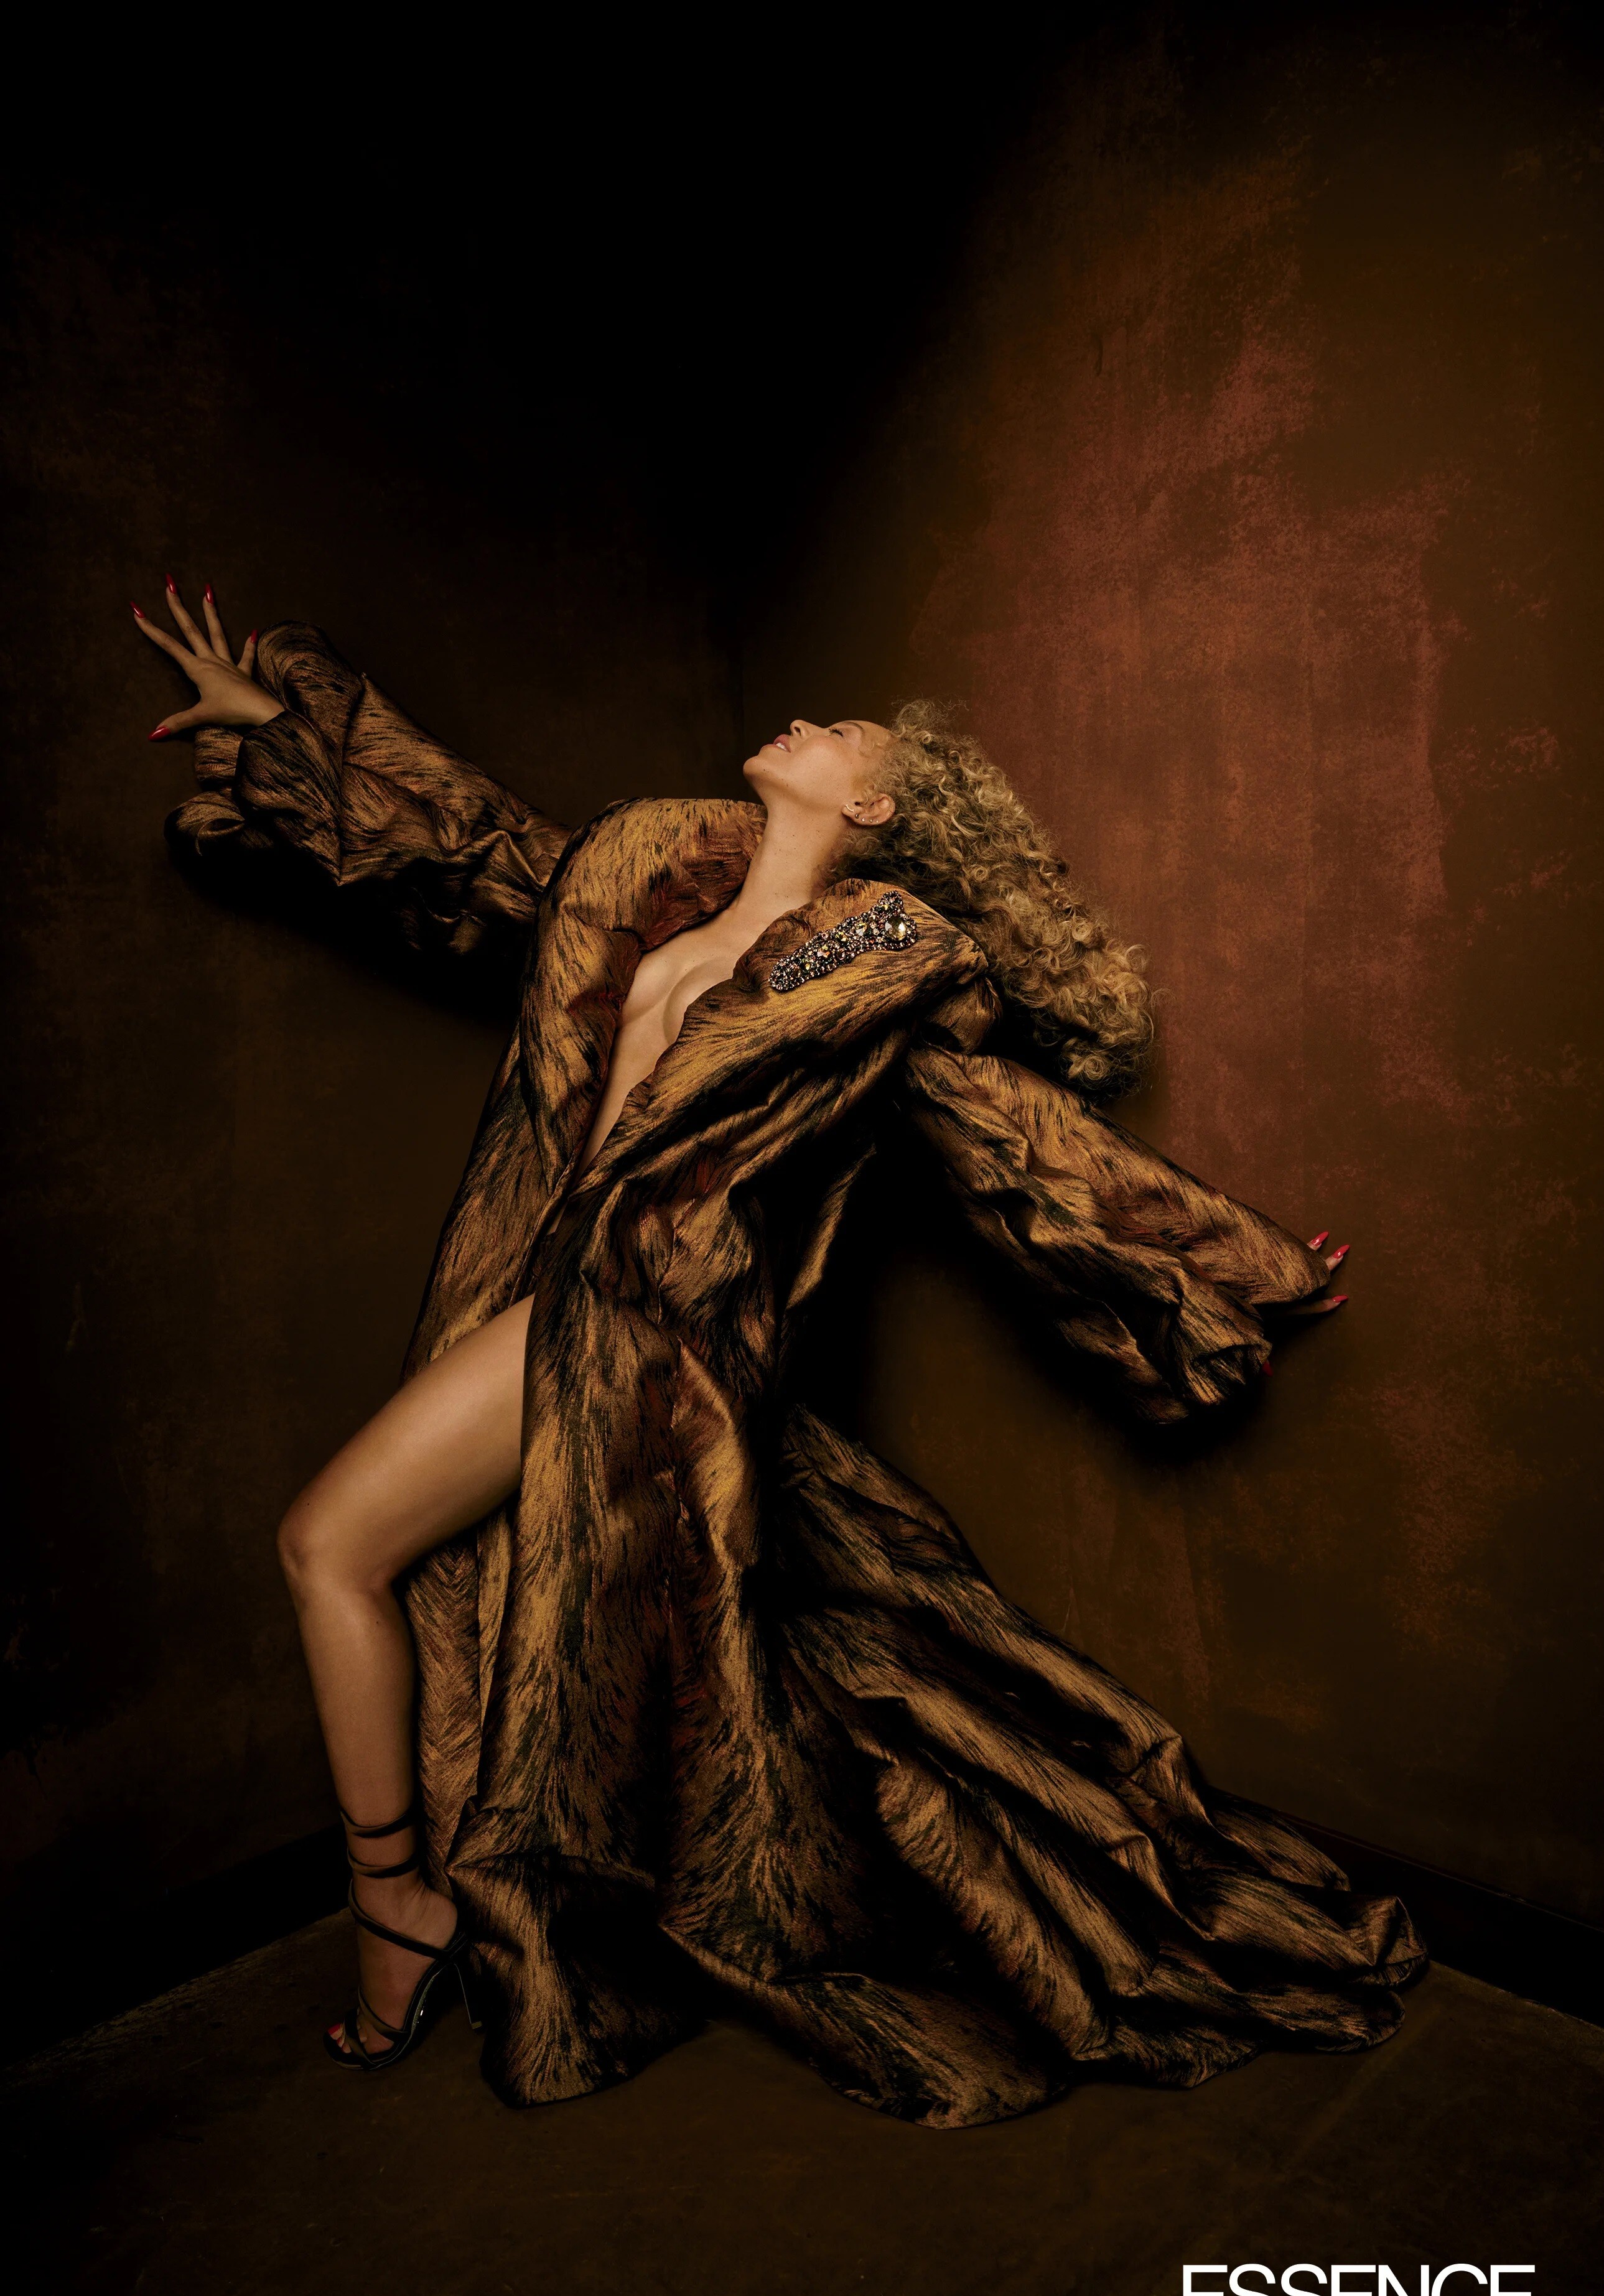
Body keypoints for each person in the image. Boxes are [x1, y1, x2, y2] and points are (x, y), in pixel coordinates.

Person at [133, 579, 1422, 2129]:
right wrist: (276, 731)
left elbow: (995, 1126)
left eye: (840, 733)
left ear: (871, 806)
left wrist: (1220, 1260)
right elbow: (474, 848)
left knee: (327, 1544)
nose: (803, 721)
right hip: (542, 1287)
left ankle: (394, 1906)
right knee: (458, 1591)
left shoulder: (873, 940)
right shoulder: (660, 890)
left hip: (637, 1320)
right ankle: (450, 1905)